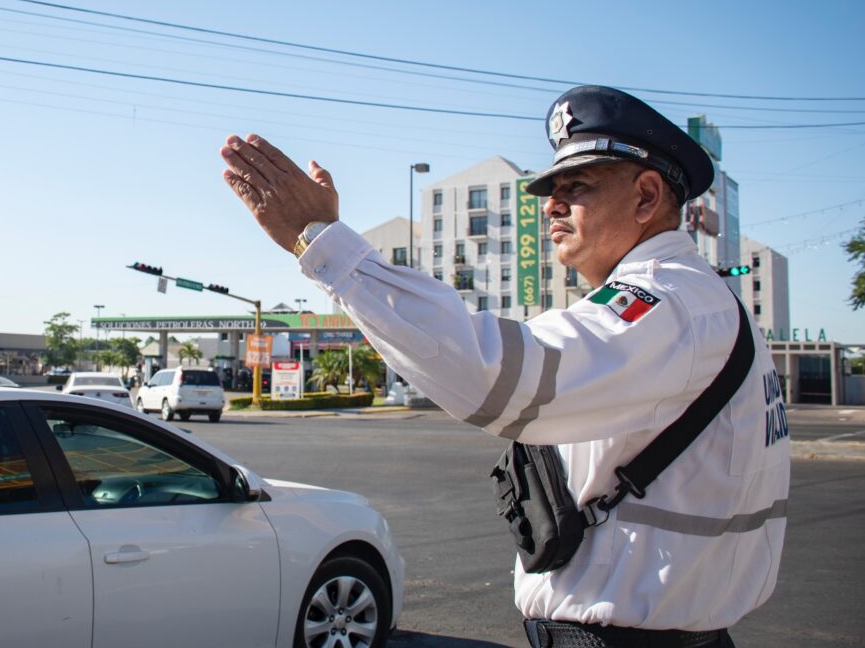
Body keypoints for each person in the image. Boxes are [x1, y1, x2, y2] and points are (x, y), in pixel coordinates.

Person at [219, 85, 788, 648]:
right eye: (550, 188)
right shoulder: (698, 300)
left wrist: (321, 242)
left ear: (646, 196)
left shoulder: (666, 304)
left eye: (577, 185)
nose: (552, 205)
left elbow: (493, 373)